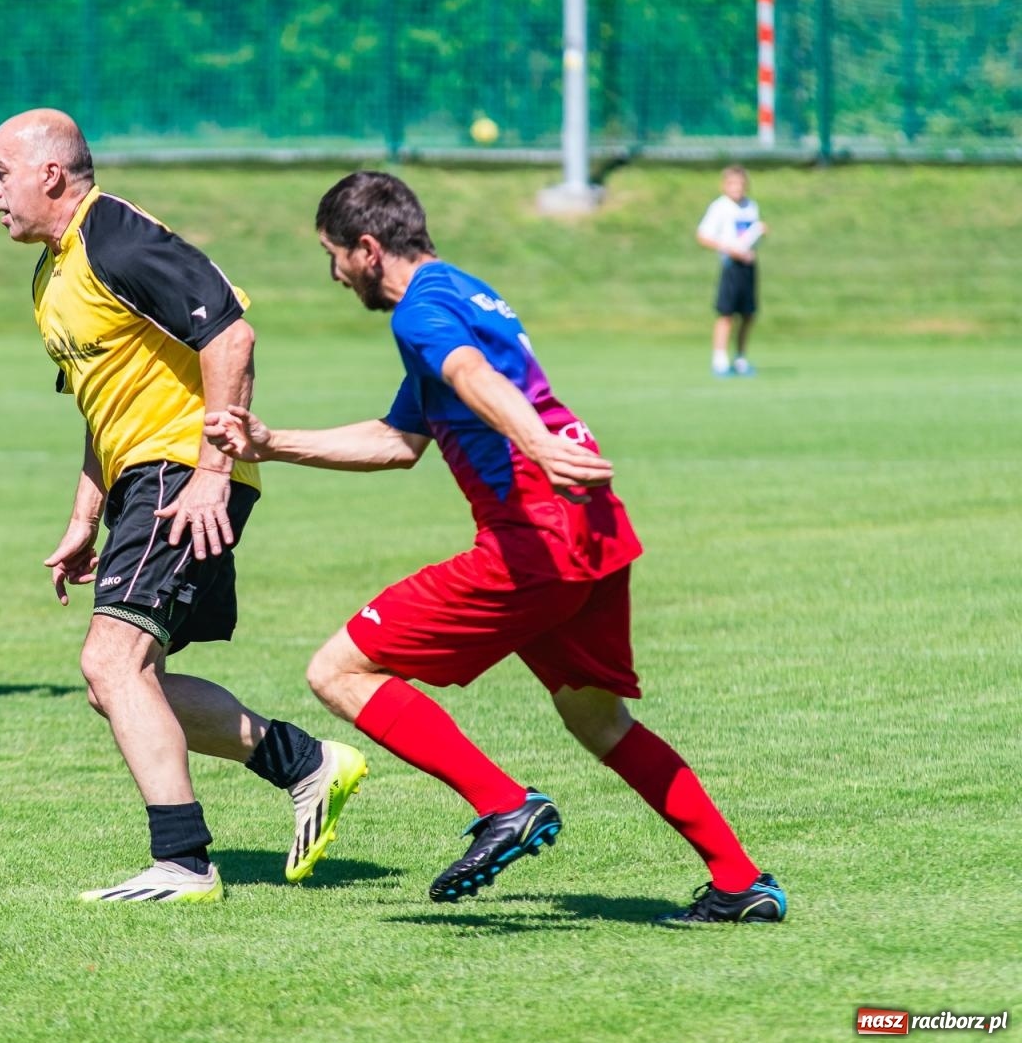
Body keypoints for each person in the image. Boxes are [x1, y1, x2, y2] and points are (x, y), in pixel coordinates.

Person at [205, 171, 785, 923]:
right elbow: (398, 441)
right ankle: (741, 882)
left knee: (337, 670)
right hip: (592, 528)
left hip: (535, 537)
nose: (335, 274)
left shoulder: (420, 313)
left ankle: (504, 803)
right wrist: (273, 442)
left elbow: (470, 373)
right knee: (598, 721)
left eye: (334, 256)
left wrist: (536, 445)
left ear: (368, 248)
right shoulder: (463, 291)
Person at [0, 109, 367, 903]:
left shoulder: (114, 237)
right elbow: (102, 404)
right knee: (119, 682)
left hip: (181, 471)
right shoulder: (51, 274)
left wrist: (211, 472)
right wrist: (83, 518)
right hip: (145, 478)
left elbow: (232, 337)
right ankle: (306, 763)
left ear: (50, 174)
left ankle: (184, 863)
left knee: (111, 662)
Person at [696, 165, 765, 377]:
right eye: (732, 184)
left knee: (748, 314)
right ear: (724, 186)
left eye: (741, 184)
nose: (737, 188)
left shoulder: (750, 206)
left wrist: (759, 235)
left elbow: (748, 236)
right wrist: (730, 250)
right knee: (726, 313)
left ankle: (741, 358)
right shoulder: (720, 207)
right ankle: (720, 360)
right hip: (731, 265)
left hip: (748, 264)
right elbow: (703, 236)